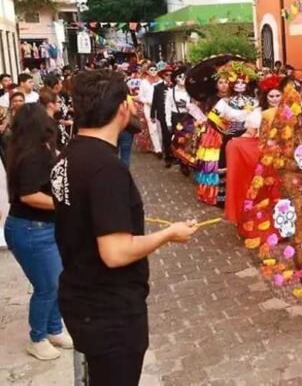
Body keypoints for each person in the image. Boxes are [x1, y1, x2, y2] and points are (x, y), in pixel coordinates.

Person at [51, 69, 198, 386]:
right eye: (130, 100)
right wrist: (169, 234)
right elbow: (115, 253)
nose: (134, 107)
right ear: (120, 107)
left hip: (82, 297)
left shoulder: (69, 155)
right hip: (109, 312)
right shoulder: (105, 168)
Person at [4, 103, 70, 360]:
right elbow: (30, 195)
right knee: (47, 286)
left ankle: (55, 328)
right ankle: (37, 337)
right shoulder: (31, 155)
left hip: (45, 227)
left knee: (57, 281)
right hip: (31, 229)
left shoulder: (39, 149)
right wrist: (64, 204)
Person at [194, 61, 259, 207]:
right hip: (228, 138)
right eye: (237, 83)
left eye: (243, 83)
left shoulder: (254, 102)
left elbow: (258, 120)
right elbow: (213, 119)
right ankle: (225, 197)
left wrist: (249, 129)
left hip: (248, 138)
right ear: (232, 85)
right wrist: (228, 129)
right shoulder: (225, 102)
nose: (240, 86)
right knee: (226, 165)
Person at [164, 66, 191, 169]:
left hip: (187, 117)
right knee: (178, 139)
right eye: (180, 76)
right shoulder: (171, 92)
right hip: (176, 117)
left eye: (185, 77)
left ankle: (185, 163)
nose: (183, 79)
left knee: (187, 139)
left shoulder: (189, 91)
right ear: (175, 79)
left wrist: (188, 105)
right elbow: (167, 108)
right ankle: (179, 159)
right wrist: (168, 122)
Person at [138, 65, 163, 157]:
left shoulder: (161, 81)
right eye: (151, 70)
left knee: (160, 126)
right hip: (148, 107)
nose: (153, 71)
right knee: (153, 128)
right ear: (147, 71)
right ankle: (158, 149)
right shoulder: (143, 83)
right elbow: (141, 96)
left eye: (155, 69)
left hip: (160, 108)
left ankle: (161, 146)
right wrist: (147, 101)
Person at [150, 67, 173, 165]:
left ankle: (175, 155)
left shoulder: (175, 87)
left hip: (174, 114)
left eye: (170, 75)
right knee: (166, 135)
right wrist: (152, 115)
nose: (169, 77)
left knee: (175, 135)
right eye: (166, 75)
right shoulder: (158, 87)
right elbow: (154, 102)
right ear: (163, 76)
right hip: (162, 115)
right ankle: (167, 156)